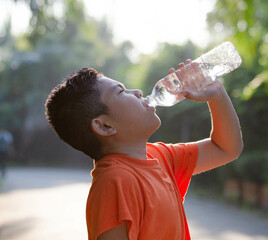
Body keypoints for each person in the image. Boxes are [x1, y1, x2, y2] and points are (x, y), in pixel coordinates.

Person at [45, 60, 243, 240]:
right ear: (104, 126)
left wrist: (217, 94)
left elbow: (226, 148)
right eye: (121, 91)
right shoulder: (114, 182)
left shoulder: (159, 156)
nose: (138, 92)